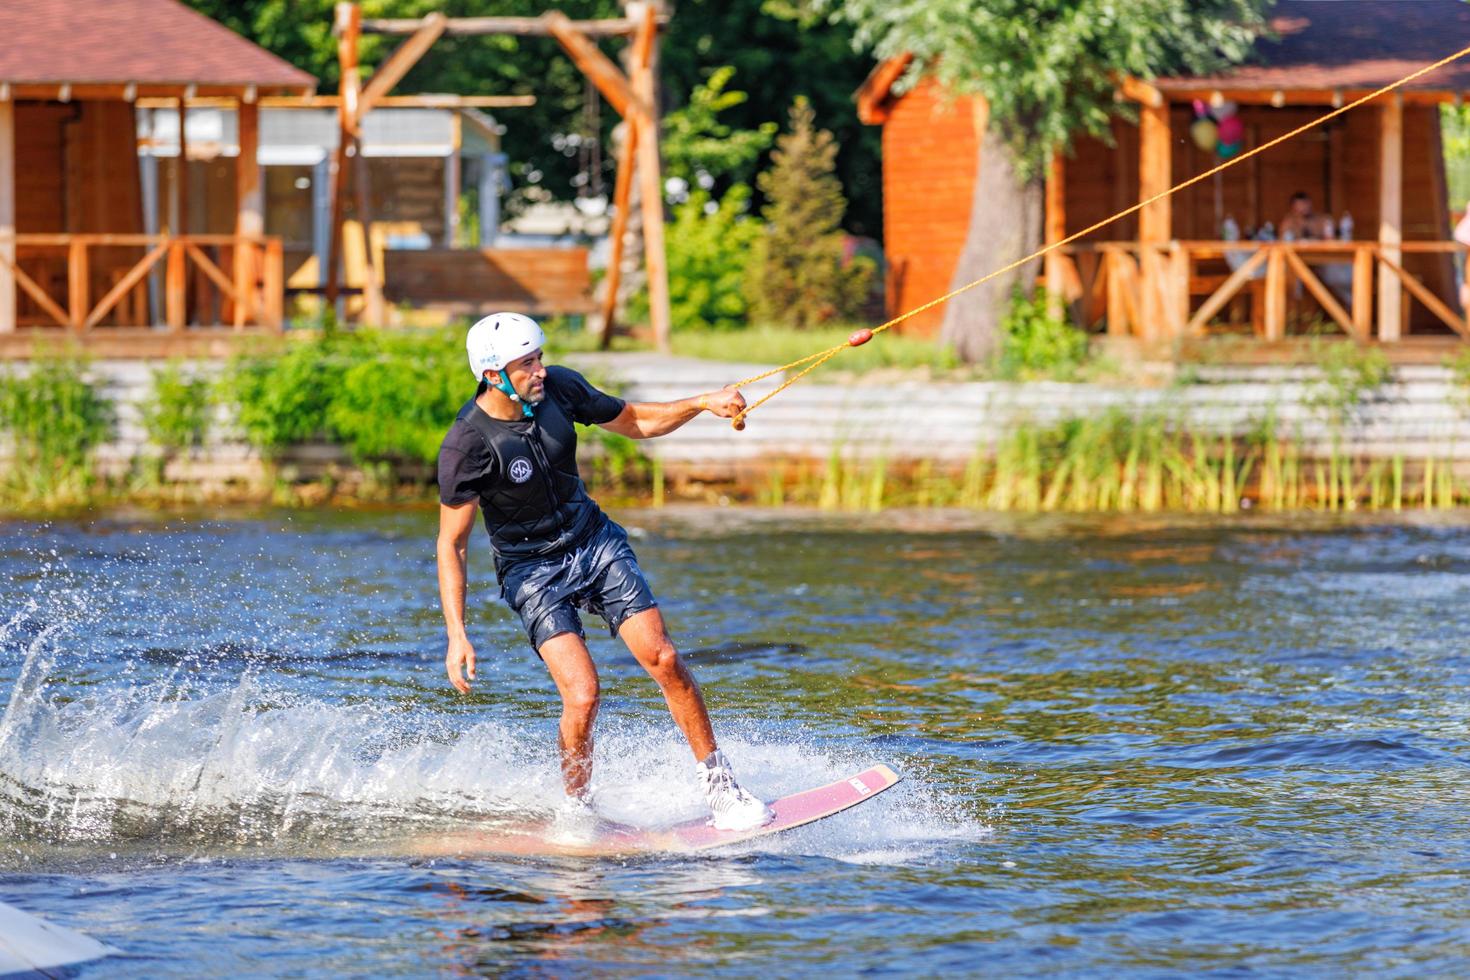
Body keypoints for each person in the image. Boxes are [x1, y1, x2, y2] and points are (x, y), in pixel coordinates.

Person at [434, 312, 773, 832]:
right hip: (531, 569)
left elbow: (635, 421)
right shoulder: (467, 445)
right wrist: (457, 633)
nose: (541, 371)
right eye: (527, 364)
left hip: (593, 541)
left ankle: (721, 787)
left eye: (540, 358)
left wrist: (702, 403)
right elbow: (452, 544)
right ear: (492, 374)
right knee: (583, 693)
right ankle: (577, 806)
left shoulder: (562, 389)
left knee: (662, 657)